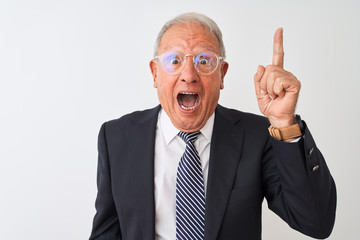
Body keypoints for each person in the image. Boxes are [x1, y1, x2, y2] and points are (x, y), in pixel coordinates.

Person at [89, 13, 336, 240]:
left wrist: (285, 123)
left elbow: (316, 223)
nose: (189, 74)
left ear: (222, 75)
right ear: (155, 74)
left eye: (204, 61)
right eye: (174, 60)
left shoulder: (256, 137)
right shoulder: (117, 138)